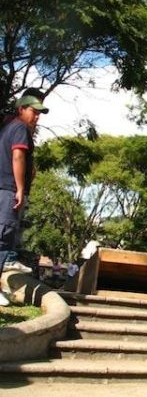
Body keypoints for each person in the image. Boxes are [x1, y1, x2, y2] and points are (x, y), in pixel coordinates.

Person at [0, 89, 49, 306]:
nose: (36, 117)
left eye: (39, 113)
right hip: (9, 190)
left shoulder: (7, 127)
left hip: (4, 188)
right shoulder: (20, 127)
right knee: (3, 238)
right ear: (21, 109)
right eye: (33, 111)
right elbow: (18, 155)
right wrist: (20, 188)